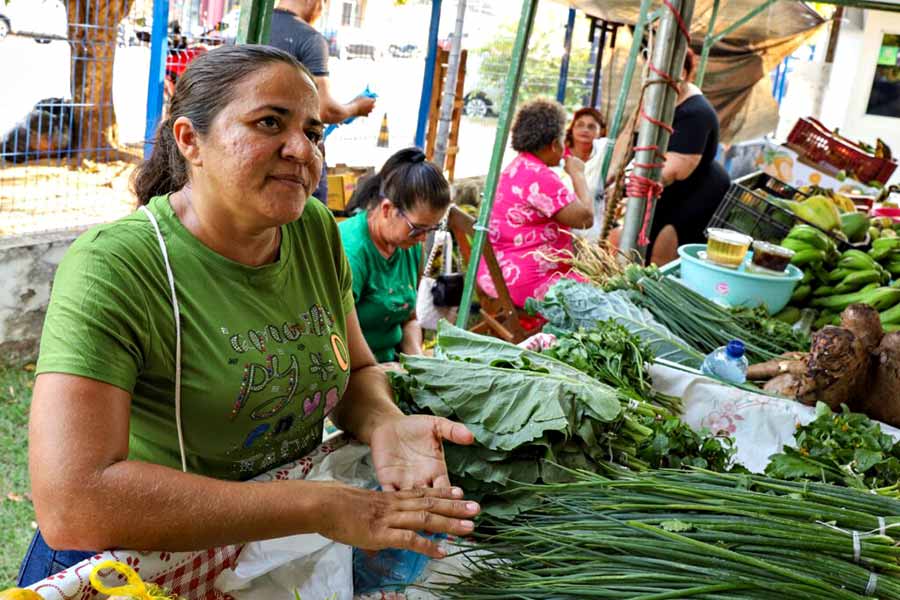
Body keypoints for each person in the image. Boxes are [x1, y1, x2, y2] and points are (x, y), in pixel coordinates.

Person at [18, 45, 478, 586]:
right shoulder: (117, 266)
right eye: (268, 122)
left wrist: (384, 421)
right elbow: (75, 504)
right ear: (191, 140)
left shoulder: (314, 230)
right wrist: (315, 506)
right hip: (132, 570)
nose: (301, 150)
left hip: (263, 554)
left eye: (313, 132)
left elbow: (356, 370)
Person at [476, 99, 593, 308]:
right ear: (553, 144)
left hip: (495, 273)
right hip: (526, 283)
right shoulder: (540, 177)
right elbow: (585, 219)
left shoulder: (519, 165)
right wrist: (578, 174)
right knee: (599, 297)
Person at [340, 148, 449, 363]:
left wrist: (418, 361)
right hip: (351, 370)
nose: (422, 238)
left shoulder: (408, 244)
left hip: (389, 364)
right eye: (417, 228)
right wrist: (381, 375)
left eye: (431, 229)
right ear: (388, 209)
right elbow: (335, 336)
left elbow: (409, 318)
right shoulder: (351, 252)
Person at [269, 0, 377, 202]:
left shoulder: (257, 28)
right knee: (309, 221)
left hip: (261, 150)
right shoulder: (309, 38)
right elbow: (324, 110)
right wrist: (356, 107)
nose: (322, 10)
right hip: (299, 156)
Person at [644, 48, 730, 265]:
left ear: (680, 72)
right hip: (671, 192)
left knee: (665, 246)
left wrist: (637, 183)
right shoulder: (659, 102)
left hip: (696, 191)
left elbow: (674, 171)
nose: (649, 76)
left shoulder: (695, 113)